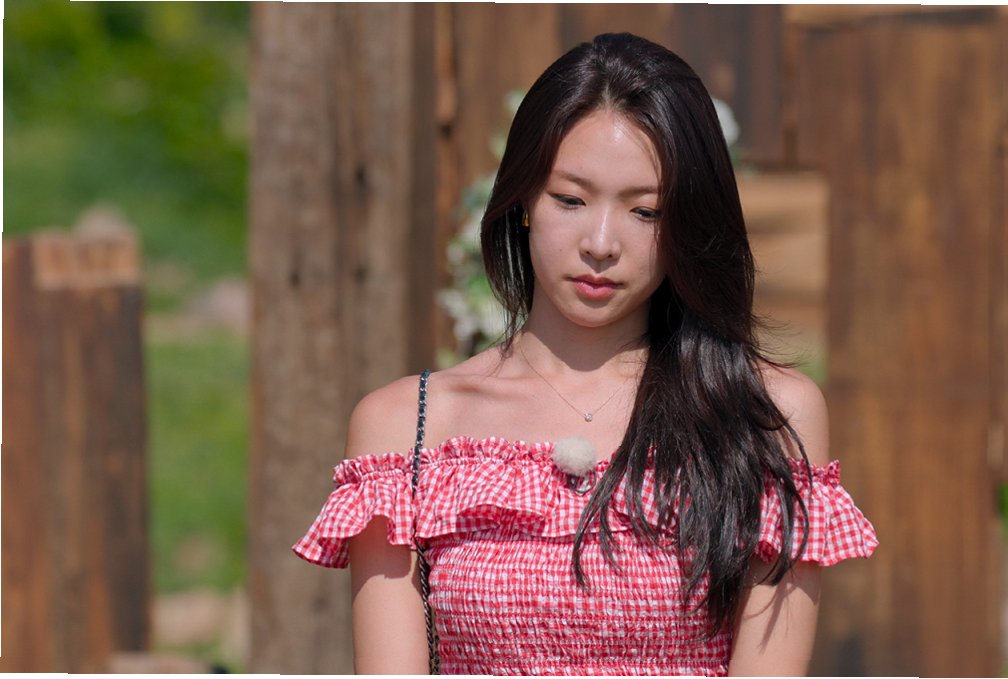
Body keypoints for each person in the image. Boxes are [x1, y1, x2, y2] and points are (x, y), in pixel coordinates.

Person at [294, 32, 877, 675]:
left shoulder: (767, 417)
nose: (600, 243)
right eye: (570, 199)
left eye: (646, 211)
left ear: (690, 223)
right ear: (522, 199)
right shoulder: (406, 426)